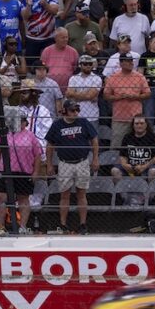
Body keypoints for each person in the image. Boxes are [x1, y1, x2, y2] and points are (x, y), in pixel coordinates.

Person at [0, 106, 43, 235]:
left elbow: (38, 155)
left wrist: (35, 172)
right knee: (1, 197)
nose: (22, 123)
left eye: (23, 120)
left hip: (24, 171)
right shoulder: (5, 134)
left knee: (23, 199)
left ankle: (22, 226)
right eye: (20, 120)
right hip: (7, 171)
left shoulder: (31, 136)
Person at [45, 99, 99, 234]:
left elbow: (94, 140)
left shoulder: (83, 122)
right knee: (65, 195)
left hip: (82, 162)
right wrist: (49, 164)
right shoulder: (57, 125)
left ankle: (83, 224)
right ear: (65, 111)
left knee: (82, 194)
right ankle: (63, 224)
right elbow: (50, 144)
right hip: (65, 163)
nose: (76, 113)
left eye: (77, 110)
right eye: (72, 110)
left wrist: (95, 158)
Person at [104, 52, 151, 150]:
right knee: (117, 147)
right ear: (121, 63)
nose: (131, 63)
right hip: (119, 118)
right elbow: (106, 95)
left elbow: (147, 94)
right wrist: (118, 97)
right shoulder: (113, 78)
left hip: (136, 119)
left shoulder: (139, 77)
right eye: (128, 61)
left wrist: (135, 96)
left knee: (137, 146)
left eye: (131, 61)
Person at [111, 114, 155, 182]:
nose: (139, 126)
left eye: (142, 123)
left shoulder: (153, 137)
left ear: (146, 125)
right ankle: (121, 189)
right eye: (136, 123)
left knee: (153, 171)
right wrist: (125, 165)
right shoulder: (127, 137)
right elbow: (122, 155)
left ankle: (150, 189)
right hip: (130, 167)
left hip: (147, 166)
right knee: (115, 170)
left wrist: (144, 166)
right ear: (133, 125)